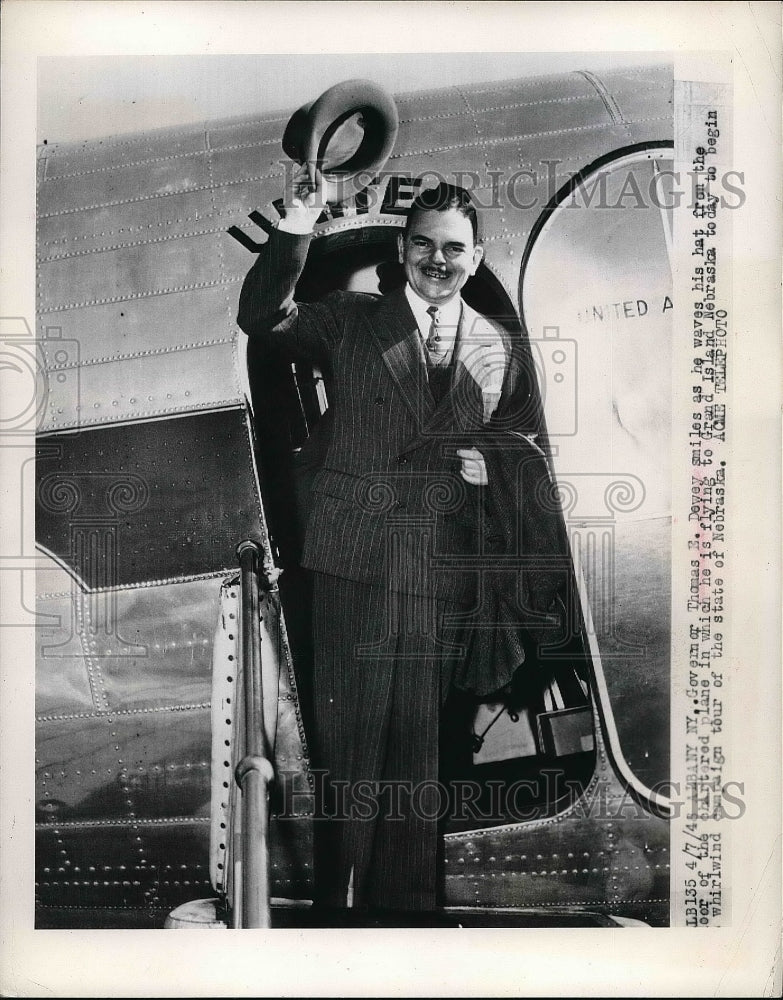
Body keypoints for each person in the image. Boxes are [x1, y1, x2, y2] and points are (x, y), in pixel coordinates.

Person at [237, 168, 566, 913]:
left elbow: (523, 452)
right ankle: (342, 915)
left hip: (435, 570)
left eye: (453, 249)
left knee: (420, 758)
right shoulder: (352, 319)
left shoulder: (499, 347)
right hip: (355, 558)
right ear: (403, 251)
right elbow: (262, 315)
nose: (438, 262)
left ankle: (408, 915)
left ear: (475, 257)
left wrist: (495, 472)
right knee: (352, 751)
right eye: (423, 246)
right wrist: (298, 222)